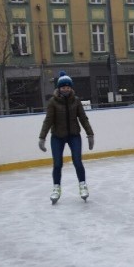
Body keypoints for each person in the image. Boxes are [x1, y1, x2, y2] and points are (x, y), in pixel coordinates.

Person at [38, 71, 95, 203]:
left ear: (71, 87)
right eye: (63, 87)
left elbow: (83, 119)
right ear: (59, 88)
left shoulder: (76, 101)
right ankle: (56, 188)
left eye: (68, 87)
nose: (66, 89)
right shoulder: (53, 102)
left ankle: (83, 185)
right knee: (57, 164)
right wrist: (42, 138)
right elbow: (48, 120)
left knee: (77, 161)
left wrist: (90, 134)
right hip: (57, 136)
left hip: (74, 136)